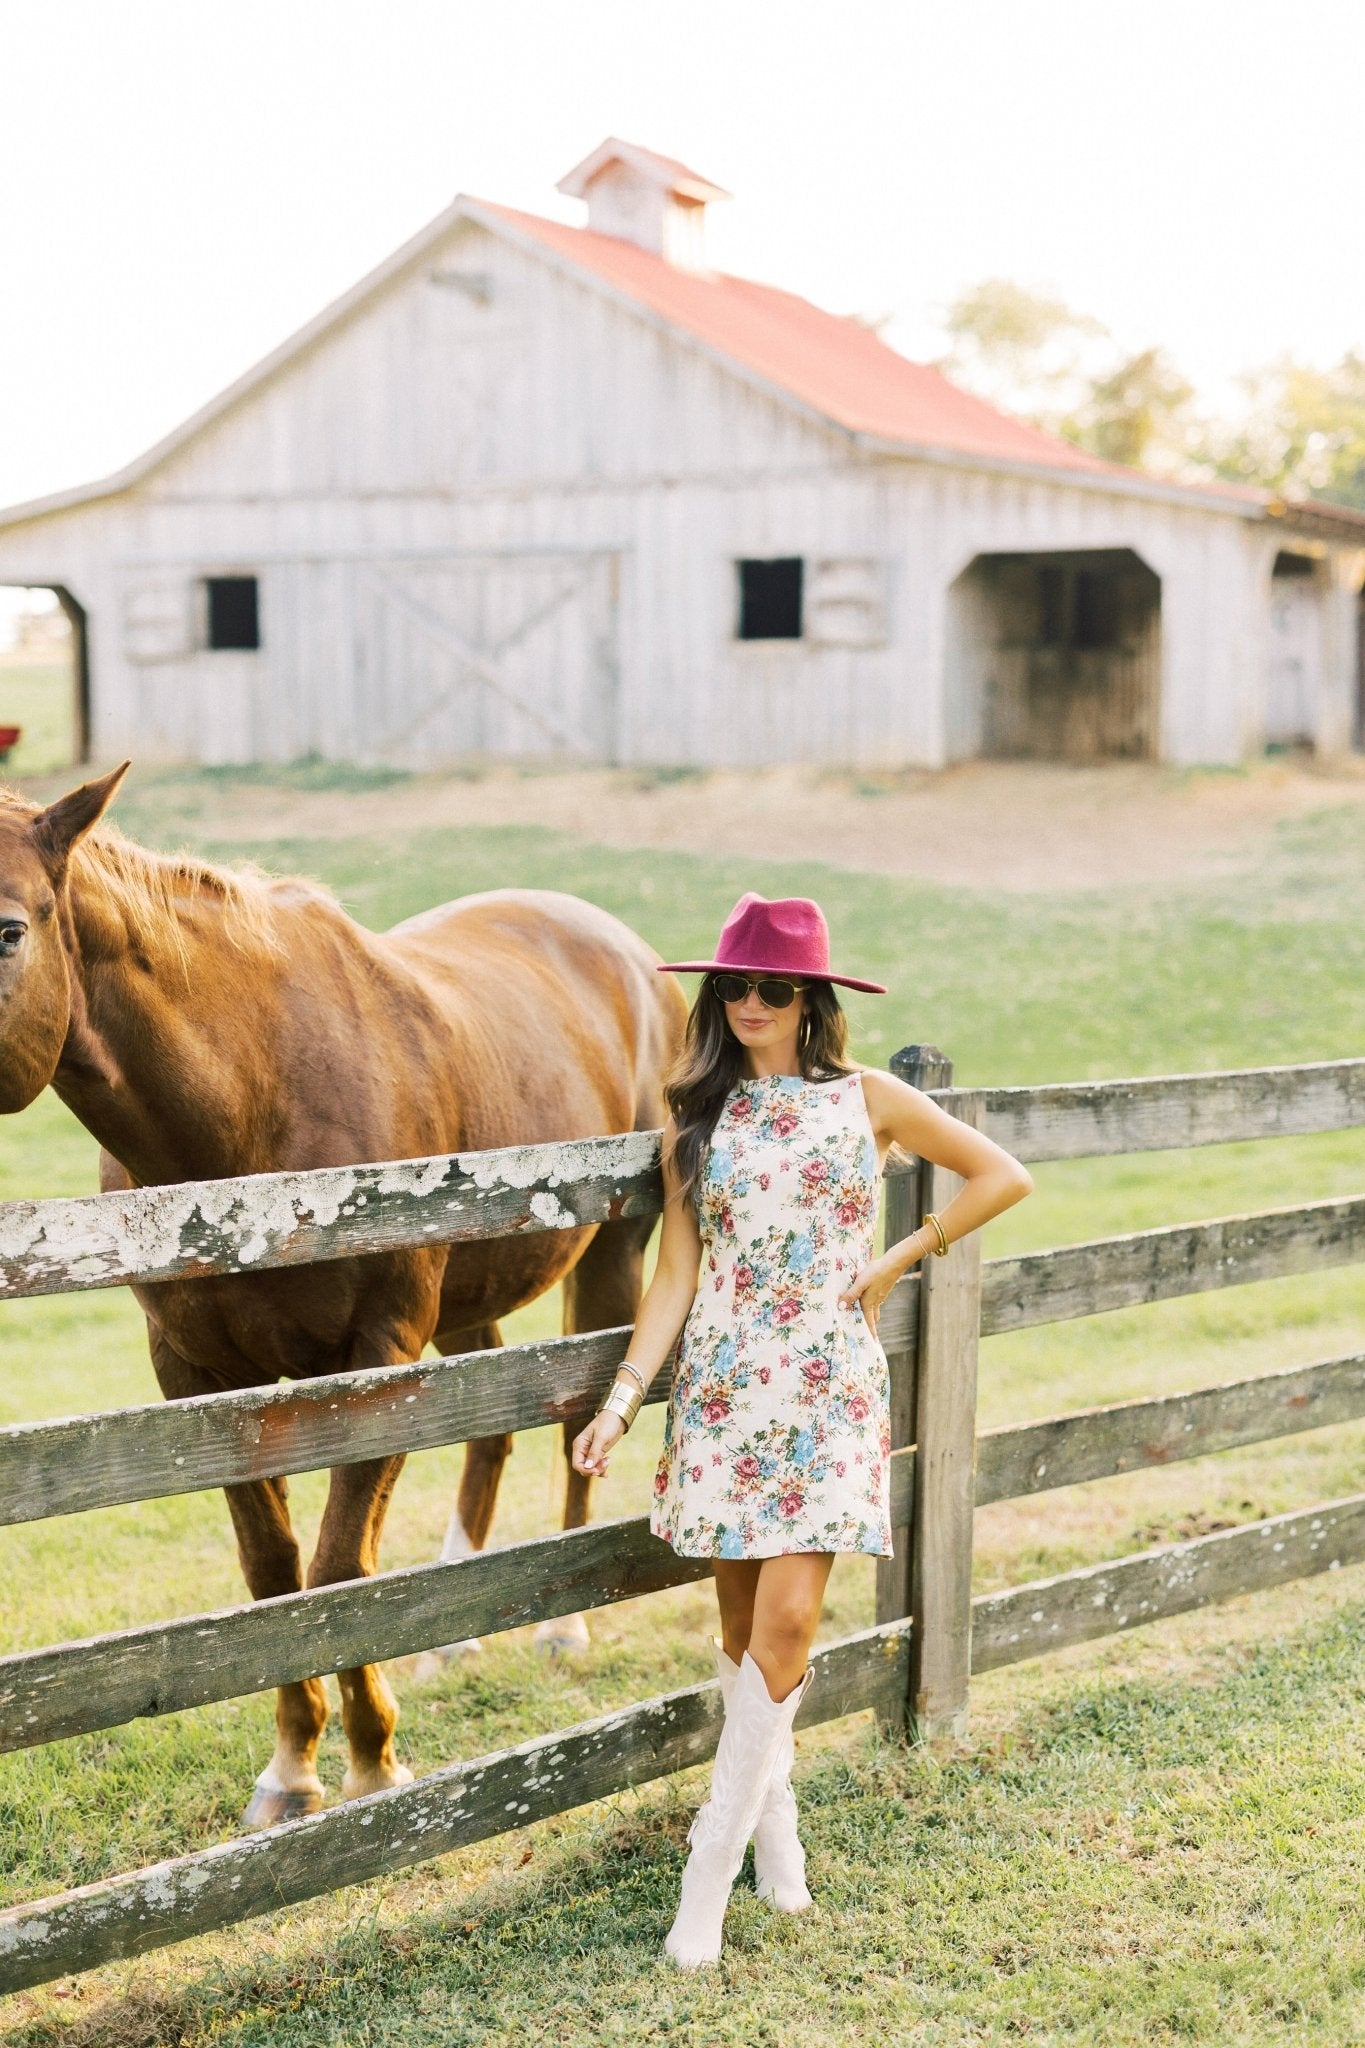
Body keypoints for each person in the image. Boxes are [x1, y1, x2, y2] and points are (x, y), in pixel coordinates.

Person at [571, 892, 1033, 1968]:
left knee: (785, 1625)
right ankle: (778, 1851)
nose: (747, 1003)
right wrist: (621, 1396)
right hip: (729, 1395)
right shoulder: (696, 1118)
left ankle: (704, 1886)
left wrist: (898, 1252)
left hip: (828, 1389)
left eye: (771, 987)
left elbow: (1001, 1173)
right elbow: (677, 1272)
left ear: (812, 997)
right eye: (732, 984)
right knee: (743, 1645)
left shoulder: (866, 1099)